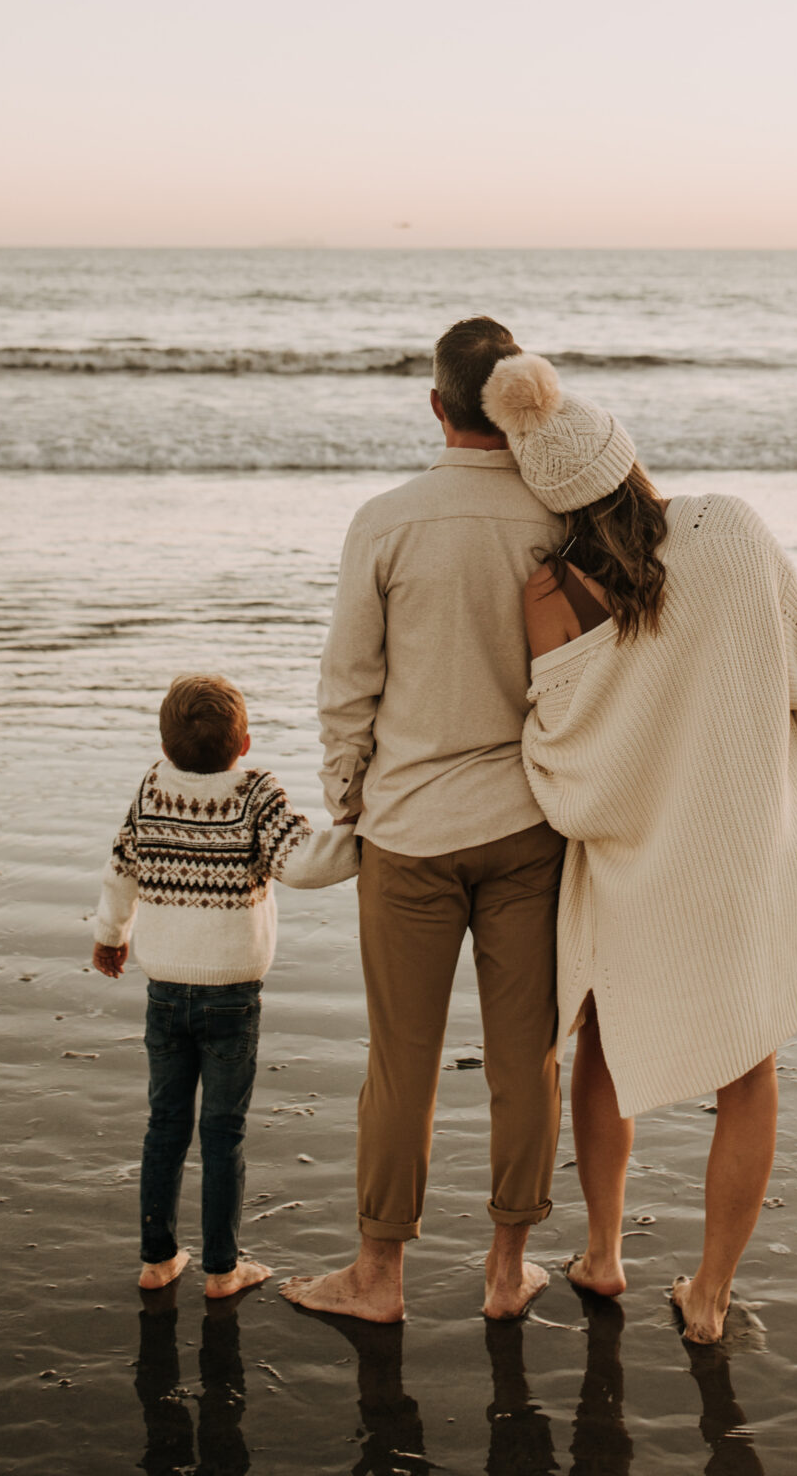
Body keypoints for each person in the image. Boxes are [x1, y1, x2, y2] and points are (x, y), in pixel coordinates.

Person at [485, 351, 797, 1345]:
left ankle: (605, 1253)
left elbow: (562, 766)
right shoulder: (732, 528)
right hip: (742, 844)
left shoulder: (551, 591)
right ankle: (708, 1295)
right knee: (750, 1066)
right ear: (628, 456)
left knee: (605, 1042)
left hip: (635, 862)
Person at [282, 317, 568, 1326]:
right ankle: (505, 1268)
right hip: (530, 826)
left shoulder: (387, 519)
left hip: (407, 827)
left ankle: (379, 1274)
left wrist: (347, 790)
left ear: (436, 404)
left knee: (399, 1057)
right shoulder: (557, 514)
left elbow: (348, 679)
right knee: (524, 1052)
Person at [91, 671, 356, 1298]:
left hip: (164, 992)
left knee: (165, 1125)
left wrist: (111, 934)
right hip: (232, 998)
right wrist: (366, 839)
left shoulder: (152, 787)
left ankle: (157, 1261)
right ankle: (221, 1268)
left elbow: (121, 867)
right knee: (223, 1133)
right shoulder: (256, 793)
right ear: (244, 745)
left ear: (165, 743)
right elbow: (304, 863)